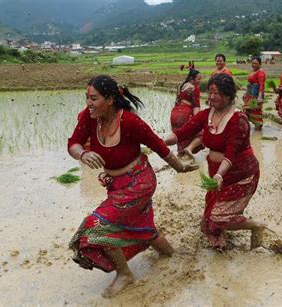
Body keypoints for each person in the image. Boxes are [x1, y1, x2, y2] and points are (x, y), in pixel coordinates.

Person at [67, 75, 197, 297]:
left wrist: (181, 168)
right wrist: (83, 153)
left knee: (99, 225)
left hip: (139, 182)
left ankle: (125, 274)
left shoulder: (129, 122)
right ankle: (172, 255)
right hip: (115, 185)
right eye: (86, 97)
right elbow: (73, 143)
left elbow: (159, 146)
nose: (88, 103)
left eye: (94, 98)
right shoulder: (89, 118)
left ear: (109, 100)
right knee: (142, 226)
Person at [164, 74, 266, 250]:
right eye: (210, 93)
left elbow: (231, 154)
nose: (211, 97)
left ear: (228, 95)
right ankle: (223, 230)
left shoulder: (238, 120)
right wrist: (156, 143)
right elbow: (182, 133)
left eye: (216, 93)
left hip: (240, 174)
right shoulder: (205, 115)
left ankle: (256, 226)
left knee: (219, 218)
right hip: (217, 174)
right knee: (208, 226)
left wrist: (219, 174)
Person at [170, 69, 202, 158]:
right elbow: (196, 106)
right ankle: (189, 149)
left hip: (175, 113)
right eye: (198, 79)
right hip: (185, 113)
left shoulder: (181, 86)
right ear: (192, 79)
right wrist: (199, 121)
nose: (200, 81)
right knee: (202, 133)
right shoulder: (194, 88)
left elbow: (177, 101)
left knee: (180, 135)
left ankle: (180, 156)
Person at [242, 56, 266, 131]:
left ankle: (258, 131)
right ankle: (245, 129)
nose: (254, 65)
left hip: (255, 97)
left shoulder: (261, 73)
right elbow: (249, 84)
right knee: (246, 111)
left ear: (260, 64)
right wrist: (246, 93)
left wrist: (259, 98)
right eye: (253, 63)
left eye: (256, 63)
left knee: (255, 112)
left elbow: (261, 85)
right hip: (250, 95)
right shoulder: (253, 71)